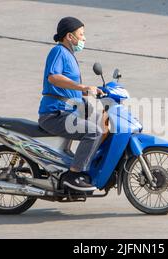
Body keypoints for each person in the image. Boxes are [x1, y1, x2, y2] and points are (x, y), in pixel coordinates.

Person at [38, 17, 104, 192]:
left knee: (100, 119)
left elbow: (68, 89)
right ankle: (73, 176)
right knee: (93, 132)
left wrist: (91, 90)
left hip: (68, 112)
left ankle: (88, 164)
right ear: (69, 36)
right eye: (81, 34)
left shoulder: (69, 55)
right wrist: (82, 86)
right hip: (54, 114)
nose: (84, 38)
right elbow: (53, 77)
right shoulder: (58, 51)